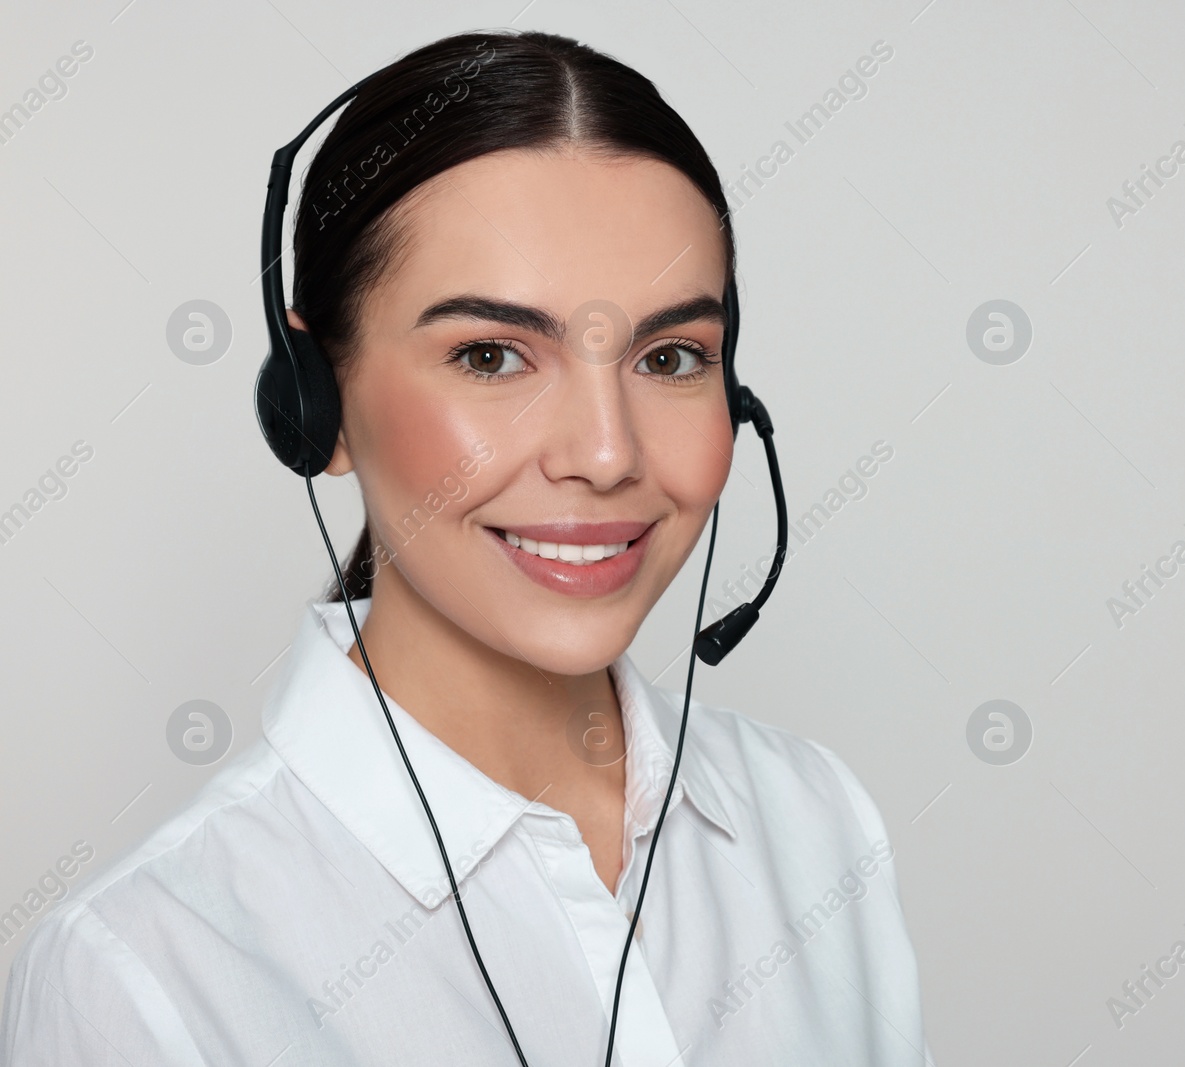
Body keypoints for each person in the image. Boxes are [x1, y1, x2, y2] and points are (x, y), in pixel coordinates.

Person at [0, 29, 931, 1066]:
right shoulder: (140, 977)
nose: (606, 452)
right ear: (318, 408)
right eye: (491, 355)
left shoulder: (815, 823)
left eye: (670, 356)